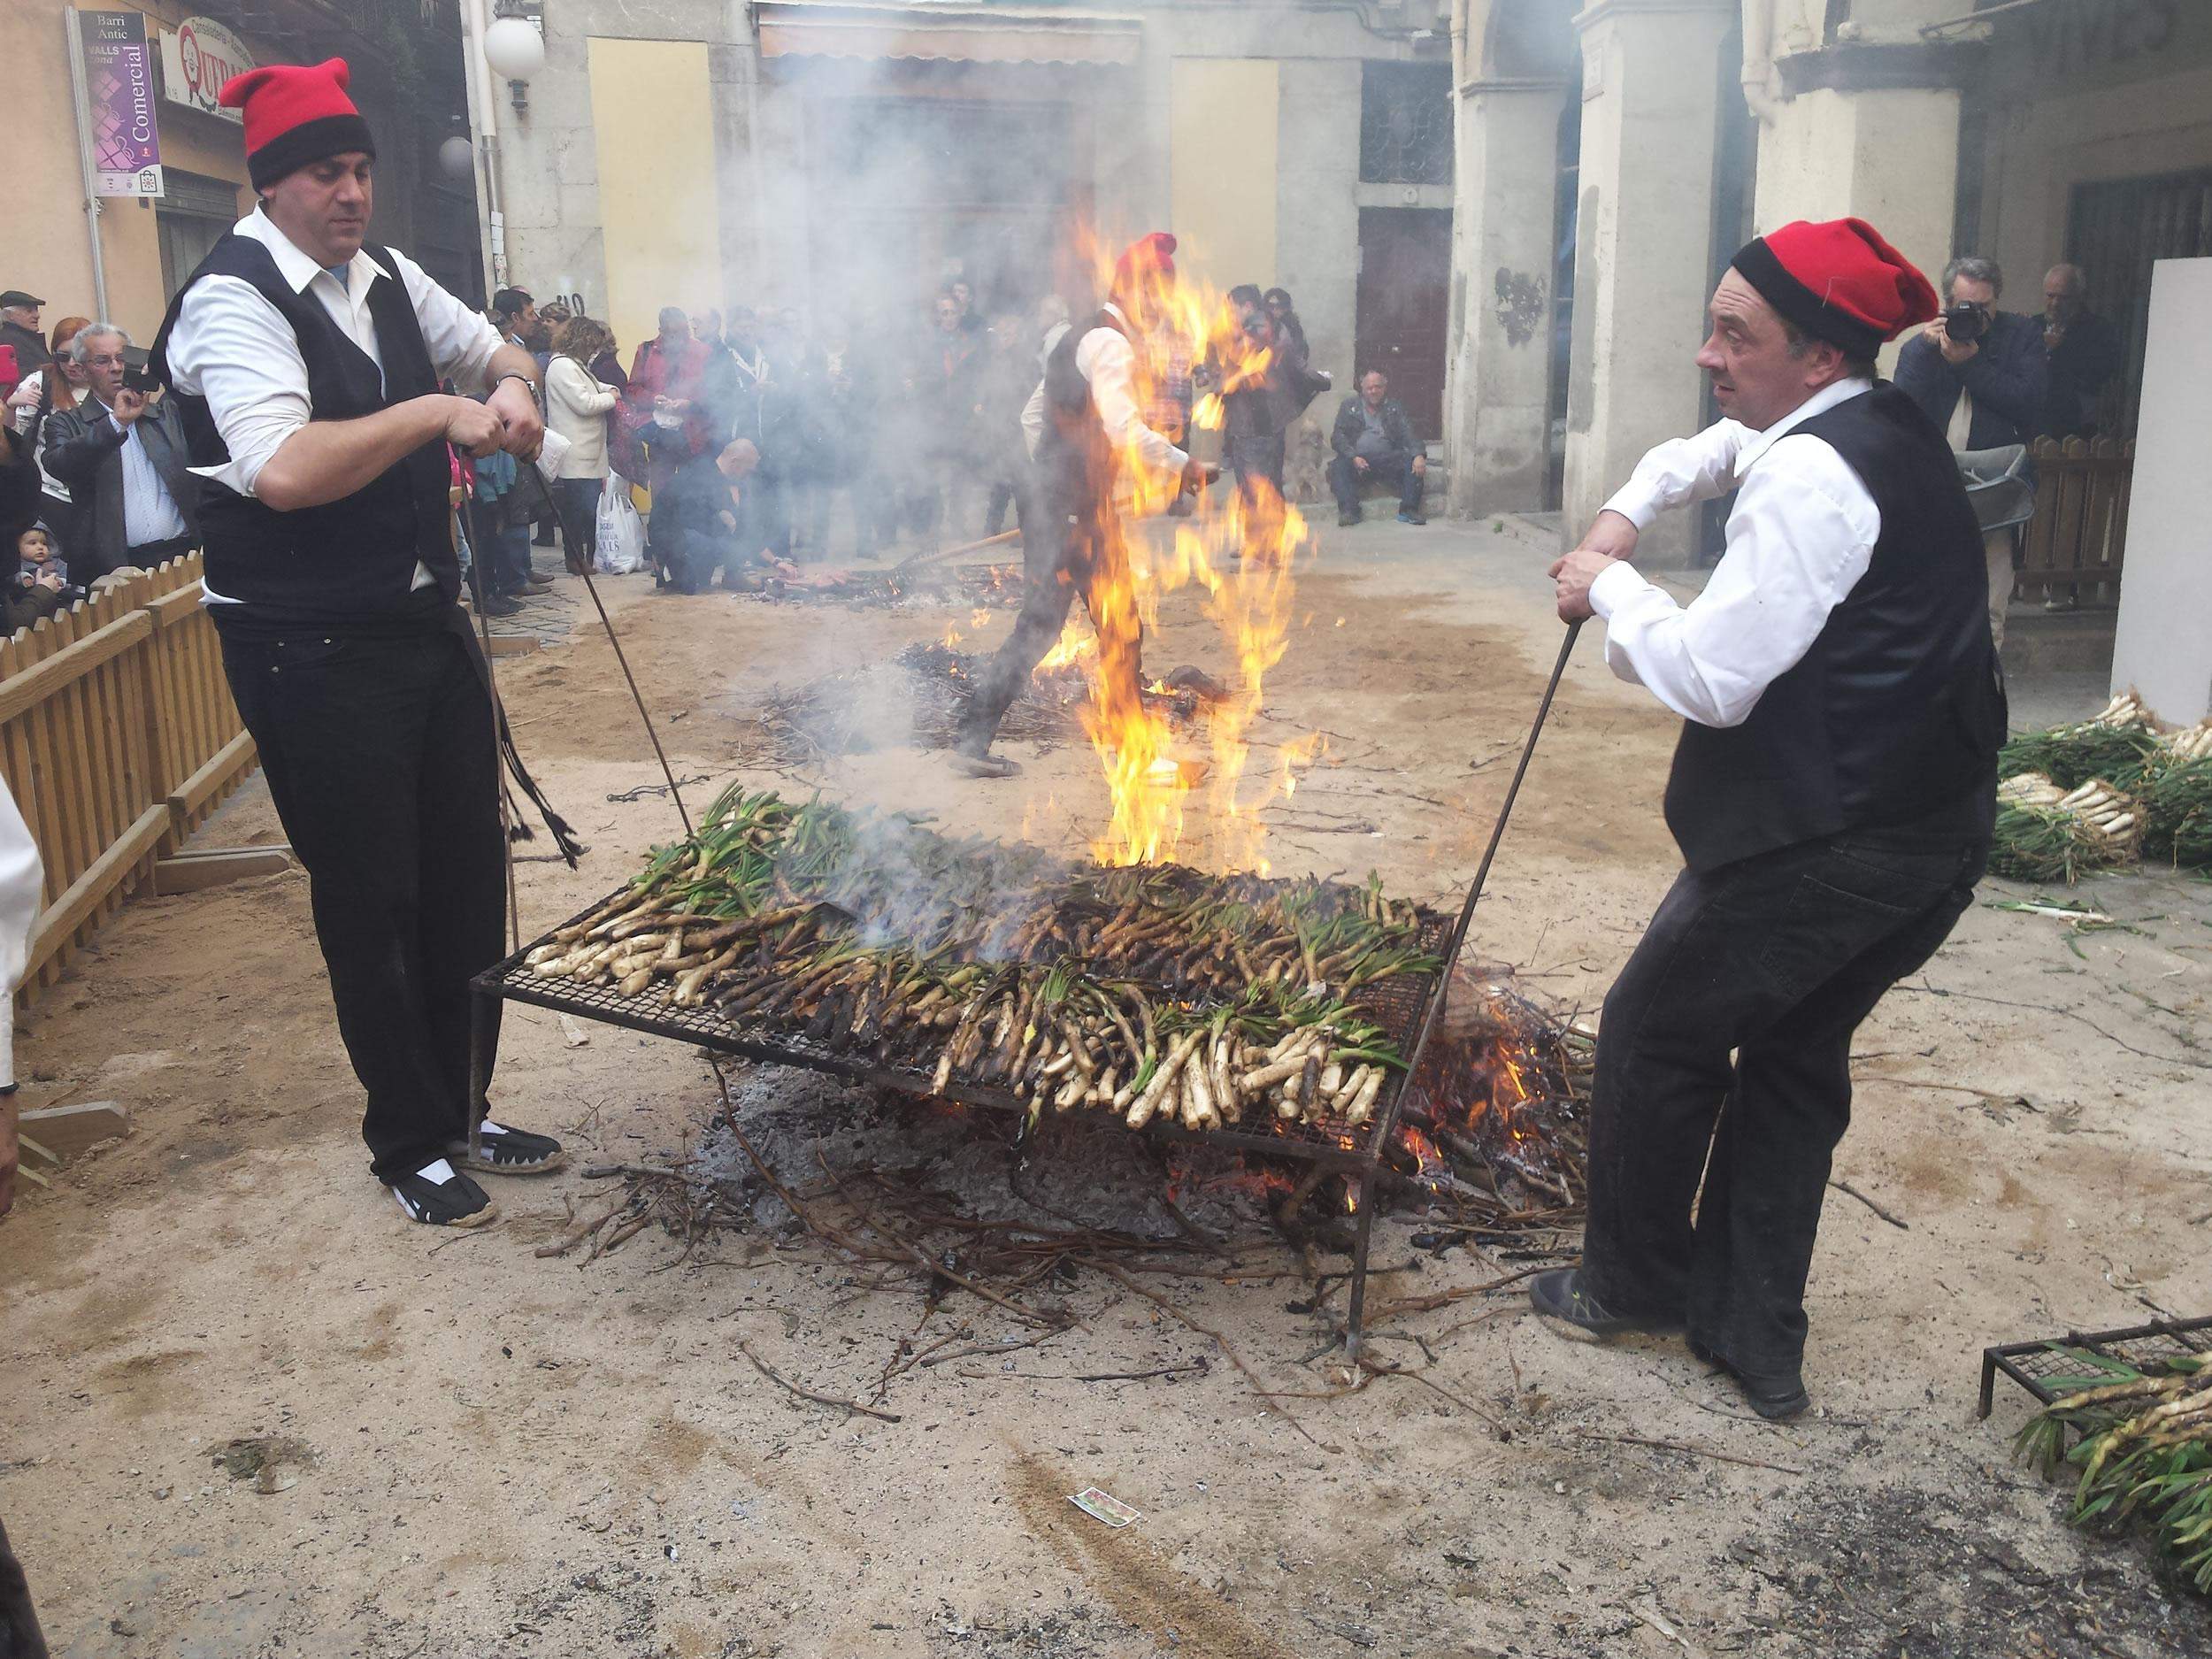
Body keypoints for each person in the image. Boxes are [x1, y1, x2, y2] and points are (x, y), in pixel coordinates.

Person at [1533, 217, 2004, 1421]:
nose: (1708, 353)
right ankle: (1754, 1336)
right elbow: (1709, 448)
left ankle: (1632, 1282)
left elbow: (1711, 677)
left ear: (1819, 359)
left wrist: (1612, 583)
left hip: (1839, 842)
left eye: (1734, 334)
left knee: (1653, 1024)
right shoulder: (1877, 413)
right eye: (1711, 324)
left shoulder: (1810, 474)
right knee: (1792, 1052)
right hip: (1937, 827)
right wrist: (1629, 506)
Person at [150, 55, 569, 1227]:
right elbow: (283, 470)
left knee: (466, 873)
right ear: (272, 184)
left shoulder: (383, 272)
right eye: (327, 174)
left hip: (421, 621)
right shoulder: (231, 300)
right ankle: (405, 1135)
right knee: (373, 890)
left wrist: (517, 382)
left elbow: (489, 345)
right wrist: (439, 411)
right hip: (310, 647)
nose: (352, 194)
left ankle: (463, 1099)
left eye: (362, 171)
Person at [952, 233, 1216, 780]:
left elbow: (1031, 418)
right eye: (1161, 298)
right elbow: (1122, 427)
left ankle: (971, 743)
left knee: (1045, 628)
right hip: (1079, 516)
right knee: (1118, 628)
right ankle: (1135, 757)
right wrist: (1180, 463)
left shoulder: (1069, 338)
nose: (1163, 311)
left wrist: (1049, 483)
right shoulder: (1112, 345)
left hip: (1058, 509)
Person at [1893, 256, 2046, 651]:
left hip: (1995, 487)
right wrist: (1925, 350)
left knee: (1990, 599)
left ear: (1998, 299)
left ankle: (1981, 690)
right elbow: (1901, 406)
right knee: (1925, 594)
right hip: (1933, 485)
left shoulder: (2021, 335)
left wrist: (1971, 364)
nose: (1977, 317)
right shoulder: (1931, 340)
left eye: (1985, 307)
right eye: (1967, 307)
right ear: (1947, 303)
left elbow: (2028, 402)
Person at [42, 325, 200, 579]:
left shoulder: (167, 414)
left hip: (185, 556)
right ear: (83, 371)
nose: (116, 368)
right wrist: (116, 423)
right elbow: (61, 464)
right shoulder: (67, 423)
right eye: (102, 361)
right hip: (118, 568)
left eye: (122, 358)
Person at [652, 438, 800, 593]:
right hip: (671, 537)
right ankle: (668, 567)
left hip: (697, 539)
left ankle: (730, 574)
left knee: (727, 534)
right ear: (735, 462)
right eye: (748, 470)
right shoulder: (700, 476)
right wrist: (724, 522)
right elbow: (686, 520)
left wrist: (776, 562)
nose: (748, 476)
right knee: (694, 581)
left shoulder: (733, 484)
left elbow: (744, 529)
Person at [6, 316, 94, 551]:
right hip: (50, 495)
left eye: (79, 354)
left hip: (102, 494)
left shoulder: (109, 382)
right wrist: (10, 406)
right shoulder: (40, 382)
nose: (72, 363)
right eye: (63, 357)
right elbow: (12, 439)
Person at [544, 314, 621, 572]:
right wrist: (611, 398)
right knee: (577, 512)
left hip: (587, 451)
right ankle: (576, 559)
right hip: (577, 452)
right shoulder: (563, 366)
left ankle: (587, 557)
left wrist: (608, 389)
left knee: (586, 508)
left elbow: (591, 385)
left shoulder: (573, 364)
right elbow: (584, 403)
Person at [2038, 263, 2124, 442]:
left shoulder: (2099, 330)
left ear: (2078, 297)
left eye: (2063, 298)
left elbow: (2098, 374)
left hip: (2076, 429)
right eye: (2050, 296)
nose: (2055, 303)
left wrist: (2060, 348)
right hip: (2033, 426)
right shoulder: (2032, 326)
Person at [1328, 370, 1425, 526]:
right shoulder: (1349, 406)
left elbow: (1409, 432)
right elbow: (1338, 437)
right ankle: (1349, 511)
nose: (1374, 391)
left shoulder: (1394, 407)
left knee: (1411, 462)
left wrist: (1419, 454)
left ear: (1384, 388)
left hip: (1387, 459)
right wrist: (1353, 456)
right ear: (1363, 388)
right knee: (1338, 467)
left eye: (1378, 387)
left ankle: (1409, 510)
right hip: (1358, 460)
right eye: (1369, 388)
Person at [0, 292, 49, 380]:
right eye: (29, 311)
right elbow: (24, 378)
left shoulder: (24, 338)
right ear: (10, 315)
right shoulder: (11, 341)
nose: (37, 315)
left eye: (36, 310)